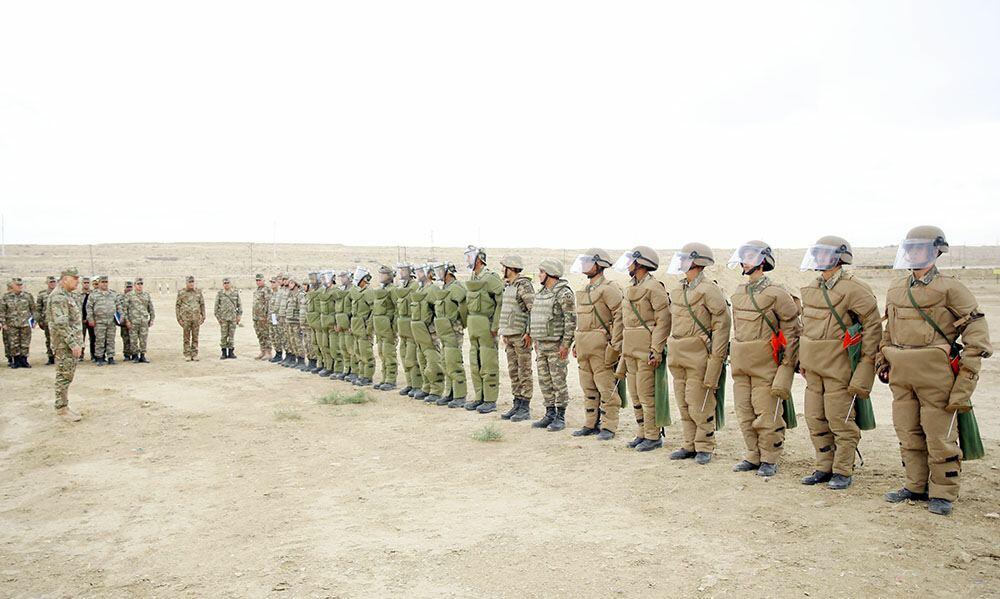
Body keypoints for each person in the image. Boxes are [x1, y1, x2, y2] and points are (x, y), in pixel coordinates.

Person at [878, 226, 993, 516]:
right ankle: (915, 485)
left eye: (920, 248)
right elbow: (889, 330)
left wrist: (967, 374)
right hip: (902, 374)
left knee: (939, 435)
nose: (913, 253)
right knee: (908, 431)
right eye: (910, 248)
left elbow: (976, 332)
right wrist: (883, 359)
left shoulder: (951, 288)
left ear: (935, 251)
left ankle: (942, 492)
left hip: (936, 375)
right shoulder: (896, 288)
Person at [798, 236, 882, 490]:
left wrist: (866, 365)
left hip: (839, 368)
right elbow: (807, 327)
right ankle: (823, 466)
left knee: (840, 420)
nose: (820, 258)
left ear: (840, 257)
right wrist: (802, 359)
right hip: (814, 368)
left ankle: (843, 470)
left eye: (826, 254)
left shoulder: (854, 289)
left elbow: (872, 327)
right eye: (818, 253)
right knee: (815, 419)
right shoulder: (813, 287)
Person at [727, 241, 801, 477]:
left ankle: (769, 458)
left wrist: (787, 364)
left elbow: (791, 330)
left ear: (762, 261)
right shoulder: (739, 292)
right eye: (744, 257)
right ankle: (753, 455)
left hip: (766, 364)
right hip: (741, 364)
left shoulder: (777, 293)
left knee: (767, 413)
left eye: (750, 257)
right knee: (744, 412)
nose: (745, 262)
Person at [664, 243, 732, 465]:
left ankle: (704, 446)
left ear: (697, 262)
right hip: (678, 355)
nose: (681, 261)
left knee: (699, 403)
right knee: (683, 404)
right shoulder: (679, 289)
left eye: (686, 258)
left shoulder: (709, 290)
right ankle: (689, 444)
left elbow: (722, 325)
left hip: (699, 356)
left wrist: (716, 359)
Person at [614, 247, 671, 451]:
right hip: (630, 348)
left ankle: (653, 436)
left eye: (632, 261)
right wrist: (619, 345)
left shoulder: (654, 287)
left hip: (646, 349)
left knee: (647, 395)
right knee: (635, 394)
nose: (628, 265)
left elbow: (663, 320)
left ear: (640, 263)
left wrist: (656, 349)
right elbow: (623, 320)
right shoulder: (630, 288)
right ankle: (642, 432)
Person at [569, 249, 624, 440]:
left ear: (599, 265)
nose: (584, 265)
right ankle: (591, 423)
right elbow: (581, 320)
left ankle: (609, 426)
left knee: (606, 388)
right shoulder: (584, 290)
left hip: (601, 348)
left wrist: (615, 345)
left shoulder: (609, 289)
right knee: (588, 388)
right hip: (584, 346)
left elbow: (620, 316)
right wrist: (576, 343)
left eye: (588, 262)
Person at [529, 259, 576, 432]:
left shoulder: (563, 293)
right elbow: (535, 317)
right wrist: (535, 339)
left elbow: (570, 321)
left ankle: (560, 416)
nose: (539, 275)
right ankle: (549, 413)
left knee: (558, 382)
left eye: (542, 272)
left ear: (550, 273)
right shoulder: (541, 293)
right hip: (541, 345)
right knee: (545, 381)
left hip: (556, 346)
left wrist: (566, 344)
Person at [462, 246, 505, 413]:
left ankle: (490, 400)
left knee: (488, 362)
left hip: (487, 327)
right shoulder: (473, 277)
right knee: (475, 362)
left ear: (479, 259)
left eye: (469, 257)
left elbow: (500, 301)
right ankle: (479, 397)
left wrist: (496, 325)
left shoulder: (490, 277)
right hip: (474, 327)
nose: (467, 260)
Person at [498, 255, 535, 422]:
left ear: (511, 268)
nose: (502, 270)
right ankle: (517, 403)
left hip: (521, 336)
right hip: (510, 335)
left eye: (504, 267)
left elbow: (533, 310)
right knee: (513, 371)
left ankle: (525, 407)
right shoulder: (509, 286)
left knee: (524, 371)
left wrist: (529, 333)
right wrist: (504, 332)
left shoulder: (524, 285)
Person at [47, 267, 84, 422]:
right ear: (65, 279)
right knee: (63, 376)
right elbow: (61, 324)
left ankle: (64, 407)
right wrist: (73, 343)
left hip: (67, 343)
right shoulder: (59, 297)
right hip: (64, 344)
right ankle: (61, 409)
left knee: (67, 375)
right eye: (74, 278)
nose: (77, 281)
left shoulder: (66, 295)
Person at [434, 262, 468, 407]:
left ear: (449, 272)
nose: (438, 273)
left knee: (454, 361)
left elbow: (463, 308)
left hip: (454, 330)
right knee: (446, 361)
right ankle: (449, 393)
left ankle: (460, 395)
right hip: (444, 331)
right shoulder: (445, 288)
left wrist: (460, 324)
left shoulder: (456, 288)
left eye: (441, 270)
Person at [410, 264, 445, 402]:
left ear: (429, 273)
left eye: (420, 272)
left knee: (433, 360)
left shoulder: (433, 290)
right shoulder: (420, 289)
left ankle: (436, 389)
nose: (418, 274)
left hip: (430, 332)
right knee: (422, 360)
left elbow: (439, 311)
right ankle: (426, 387)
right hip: (420, 333)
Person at [392, 264, 421, 396]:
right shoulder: (403, 287)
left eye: (404, 270)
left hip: (411, 328)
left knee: (412, 358)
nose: (401, 273)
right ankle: (410, 384)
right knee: (404, 357)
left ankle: (417, 385)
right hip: (403, 328)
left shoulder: (414, 286)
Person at [372, 266, 399, 390]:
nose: (381, 277)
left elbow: (397, 309)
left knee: (389, 354)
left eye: (383, 274)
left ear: (390, 276)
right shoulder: (381, 290)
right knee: (382, 354)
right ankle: (384, 378)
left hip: (388, 329)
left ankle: (391, 380)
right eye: (380, 274)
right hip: (380, 328)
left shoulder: (393, 290)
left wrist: (393, 327)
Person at [1, 277, 35, 368]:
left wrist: (34, 321)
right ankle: (16, 361)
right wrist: (3, 323)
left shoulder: (27, 296)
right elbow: (2, 311)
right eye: (17, 285)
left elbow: (33, 309)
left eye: (21, 285)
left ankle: (24, 360)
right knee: (13, 343)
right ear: (12, 286)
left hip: (25, 324)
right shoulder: (6, 297)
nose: (20, 286)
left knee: (25, 343)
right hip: (11, 324)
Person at [349, 267, 375, 385]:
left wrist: (368, 328)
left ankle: (368, 377)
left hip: (364, 329)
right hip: (357, 328)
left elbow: (374, 311)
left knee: (366, 353)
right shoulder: (359, 292)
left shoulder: (368, 292)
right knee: (358, 353)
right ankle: (361, 374)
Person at [89, 276, 118, 366]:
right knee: (100, 340)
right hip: (99, 321)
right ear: (99, 283)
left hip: (111, 321)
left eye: (106, 282)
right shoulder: (93, 295)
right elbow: (89, 308)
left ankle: (110, 357)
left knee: (111, 340)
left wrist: (120, 317)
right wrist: (91, 319)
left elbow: (118, 306)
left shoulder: (113, 294)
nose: (104, 284)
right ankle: (99, 358)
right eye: (103, 282)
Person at [176, 275, 206, 361]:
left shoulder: (198, 292)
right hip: (186, 319)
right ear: (186, 283)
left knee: (195, 337)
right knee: (186, 337)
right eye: (190, 282)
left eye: (192, 282)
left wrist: (203, 316)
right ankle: (187, 354)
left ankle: (194, 353)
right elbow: (177, 306)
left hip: (196, 318)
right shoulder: (181, 293)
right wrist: (179, 318)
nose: (191, 284)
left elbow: (202, 304)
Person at [125, 277, 154, 363]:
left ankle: (142, 355)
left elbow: (150, 308)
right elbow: (124, 309)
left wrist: (152, 319)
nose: (140, 286)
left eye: (141, 284)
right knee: (133, 339)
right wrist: (127, 321)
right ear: (134, 285)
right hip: (133, 321)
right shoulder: (129, 295)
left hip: (144, 321)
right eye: (138, 284)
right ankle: (135, 356)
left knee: (143, 339)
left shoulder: (146, 295)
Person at [215, 277, 242, 359]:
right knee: (223, 336)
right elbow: (216, 307)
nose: (226, 284)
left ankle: (231, 352)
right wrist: (218, 318)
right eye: (225, 283)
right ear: (223, 284)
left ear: (230, 284)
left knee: (231, 335)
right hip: (223, 318)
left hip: (233, 318)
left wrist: (239, 316)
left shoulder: (235, 293)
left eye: (228, 283)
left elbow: (239, 305)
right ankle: (223, 352)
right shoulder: (220, 293)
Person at [282, 277, 304, 367]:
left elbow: (301, 309)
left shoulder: (300, 295)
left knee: (298, 341)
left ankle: (301, 360)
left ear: (296, 284)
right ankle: (296, 358)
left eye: (292, 283)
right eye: (289, 283)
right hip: (290, 321)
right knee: (292, 341)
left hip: (296, 322)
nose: (289, 285)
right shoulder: (290, 294)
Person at [36, 275, 58, 365]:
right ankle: (50, 357)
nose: (52, 284)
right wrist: (39, 321)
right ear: (47, 283)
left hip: (59, 321)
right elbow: (38, 309)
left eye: (54, 282)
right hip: (47, 321)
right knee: (49, 339)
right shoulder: (42, 294)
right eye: (50, 282)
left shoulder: (60, 293)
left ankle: (59, 357)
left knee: (59, 340)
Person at [252, 274, 273, 360]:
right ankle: (263, 351)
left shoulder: (266, 290)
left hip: (263, 317)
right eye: (256, 280)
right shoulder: (257, 290)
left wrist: (267, 316)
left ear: (263, 280)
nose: (258, 282)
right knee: (259, 334)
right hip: (257, 317)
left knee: (266, 334)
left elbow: (268, 303)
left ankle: (268, 352)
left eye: (259, 280)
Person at [80, 276, 96, 361]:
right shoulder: (78, 295)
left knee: (93, 338)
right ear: (82, 284)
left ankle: (93, 355)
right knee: (80, 338)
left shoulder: (93, 294)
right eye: (84, 283)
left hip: (91, 320)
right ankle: (80, 355)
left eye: (87, 283)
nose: (86, 284)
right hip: (81, 320)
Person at [118, 280, 134, 360]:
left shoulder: (135, 296)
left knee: (134, 338)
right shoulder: (120, 297)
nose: (129, 289)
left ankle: (134, 354)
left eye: (130, 287)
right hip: (124, 321)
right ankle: (127, 354)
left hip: (134, 321)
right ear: (124, 288)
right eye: (127, 287)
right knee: (125, 338)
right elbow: (119, 308)